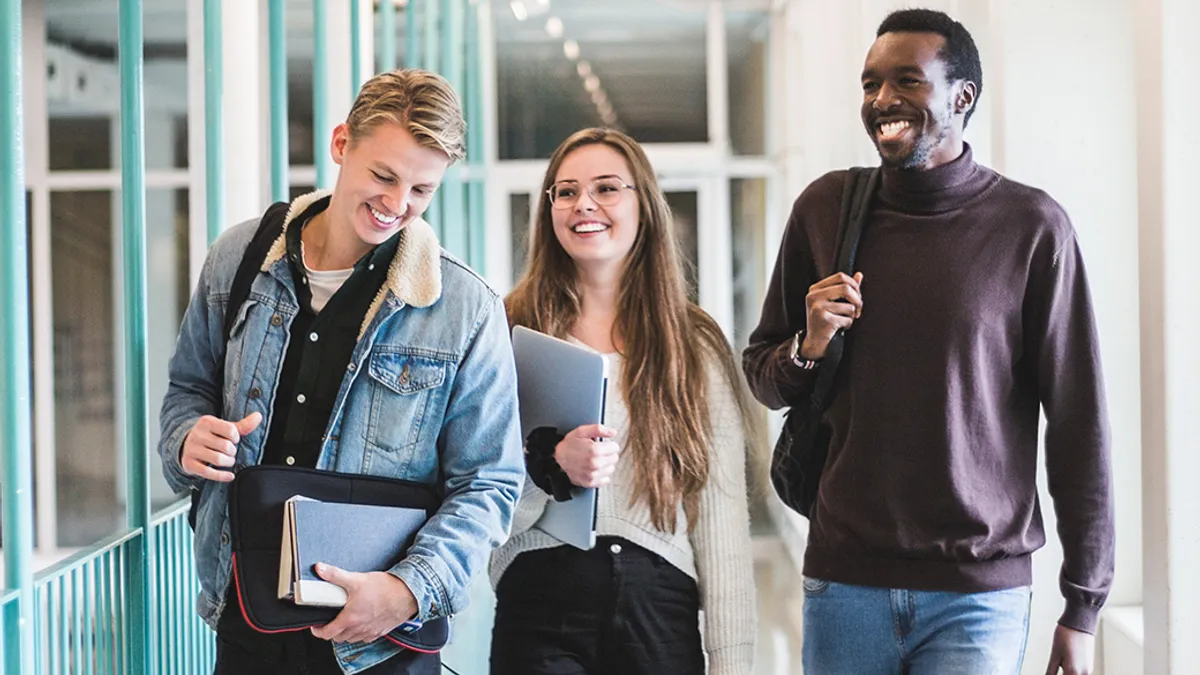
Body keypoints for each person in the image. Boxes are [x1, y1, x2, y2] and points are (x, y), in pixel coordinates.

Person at [742, 9, 1113, 675]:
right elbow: (764, 375)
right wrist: (811, 340)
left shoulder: (1031, 228)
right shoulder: (824, 211)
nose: (881, 101)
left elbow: (1079, 421)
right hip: (844, 581)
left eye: (907, 82)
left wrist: (1083, 604)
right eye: (870, 84)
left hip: (978, 595)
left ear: (961, 97)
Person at [157, 68, 525, 675]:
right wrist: (187, 437)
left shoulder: (466, 309)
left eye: (421, 190)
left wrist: (409, 590)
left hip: (381, 643)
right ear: (340, 144)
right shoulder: (239, 259)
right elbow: (188, 390)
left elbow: (489, 484)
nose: (397, 204)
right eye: (383, 175)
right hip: (245, 618)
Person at [489, 128, 758, 675]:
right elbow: (476, 493)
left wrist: (736, 666)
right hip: (539, 599)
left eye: (606, 188)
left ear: (645, 206)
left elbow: (721, 521)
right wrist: (549, 468)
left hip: (659, 610)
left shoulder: (693, 343)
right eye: (565, 192)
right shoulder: (505, 328)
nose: (583, 204)